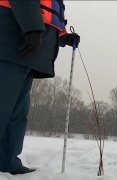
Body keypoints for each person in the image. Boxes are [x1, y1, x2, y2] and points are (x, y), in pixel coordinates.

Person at [0, 0, 80, 175]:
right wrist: (33, 29)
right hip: (10, 42)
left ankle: (7, 162)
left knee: (16, 113)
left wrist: (63, 36)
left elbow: (47, 16)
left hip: (28, 52)